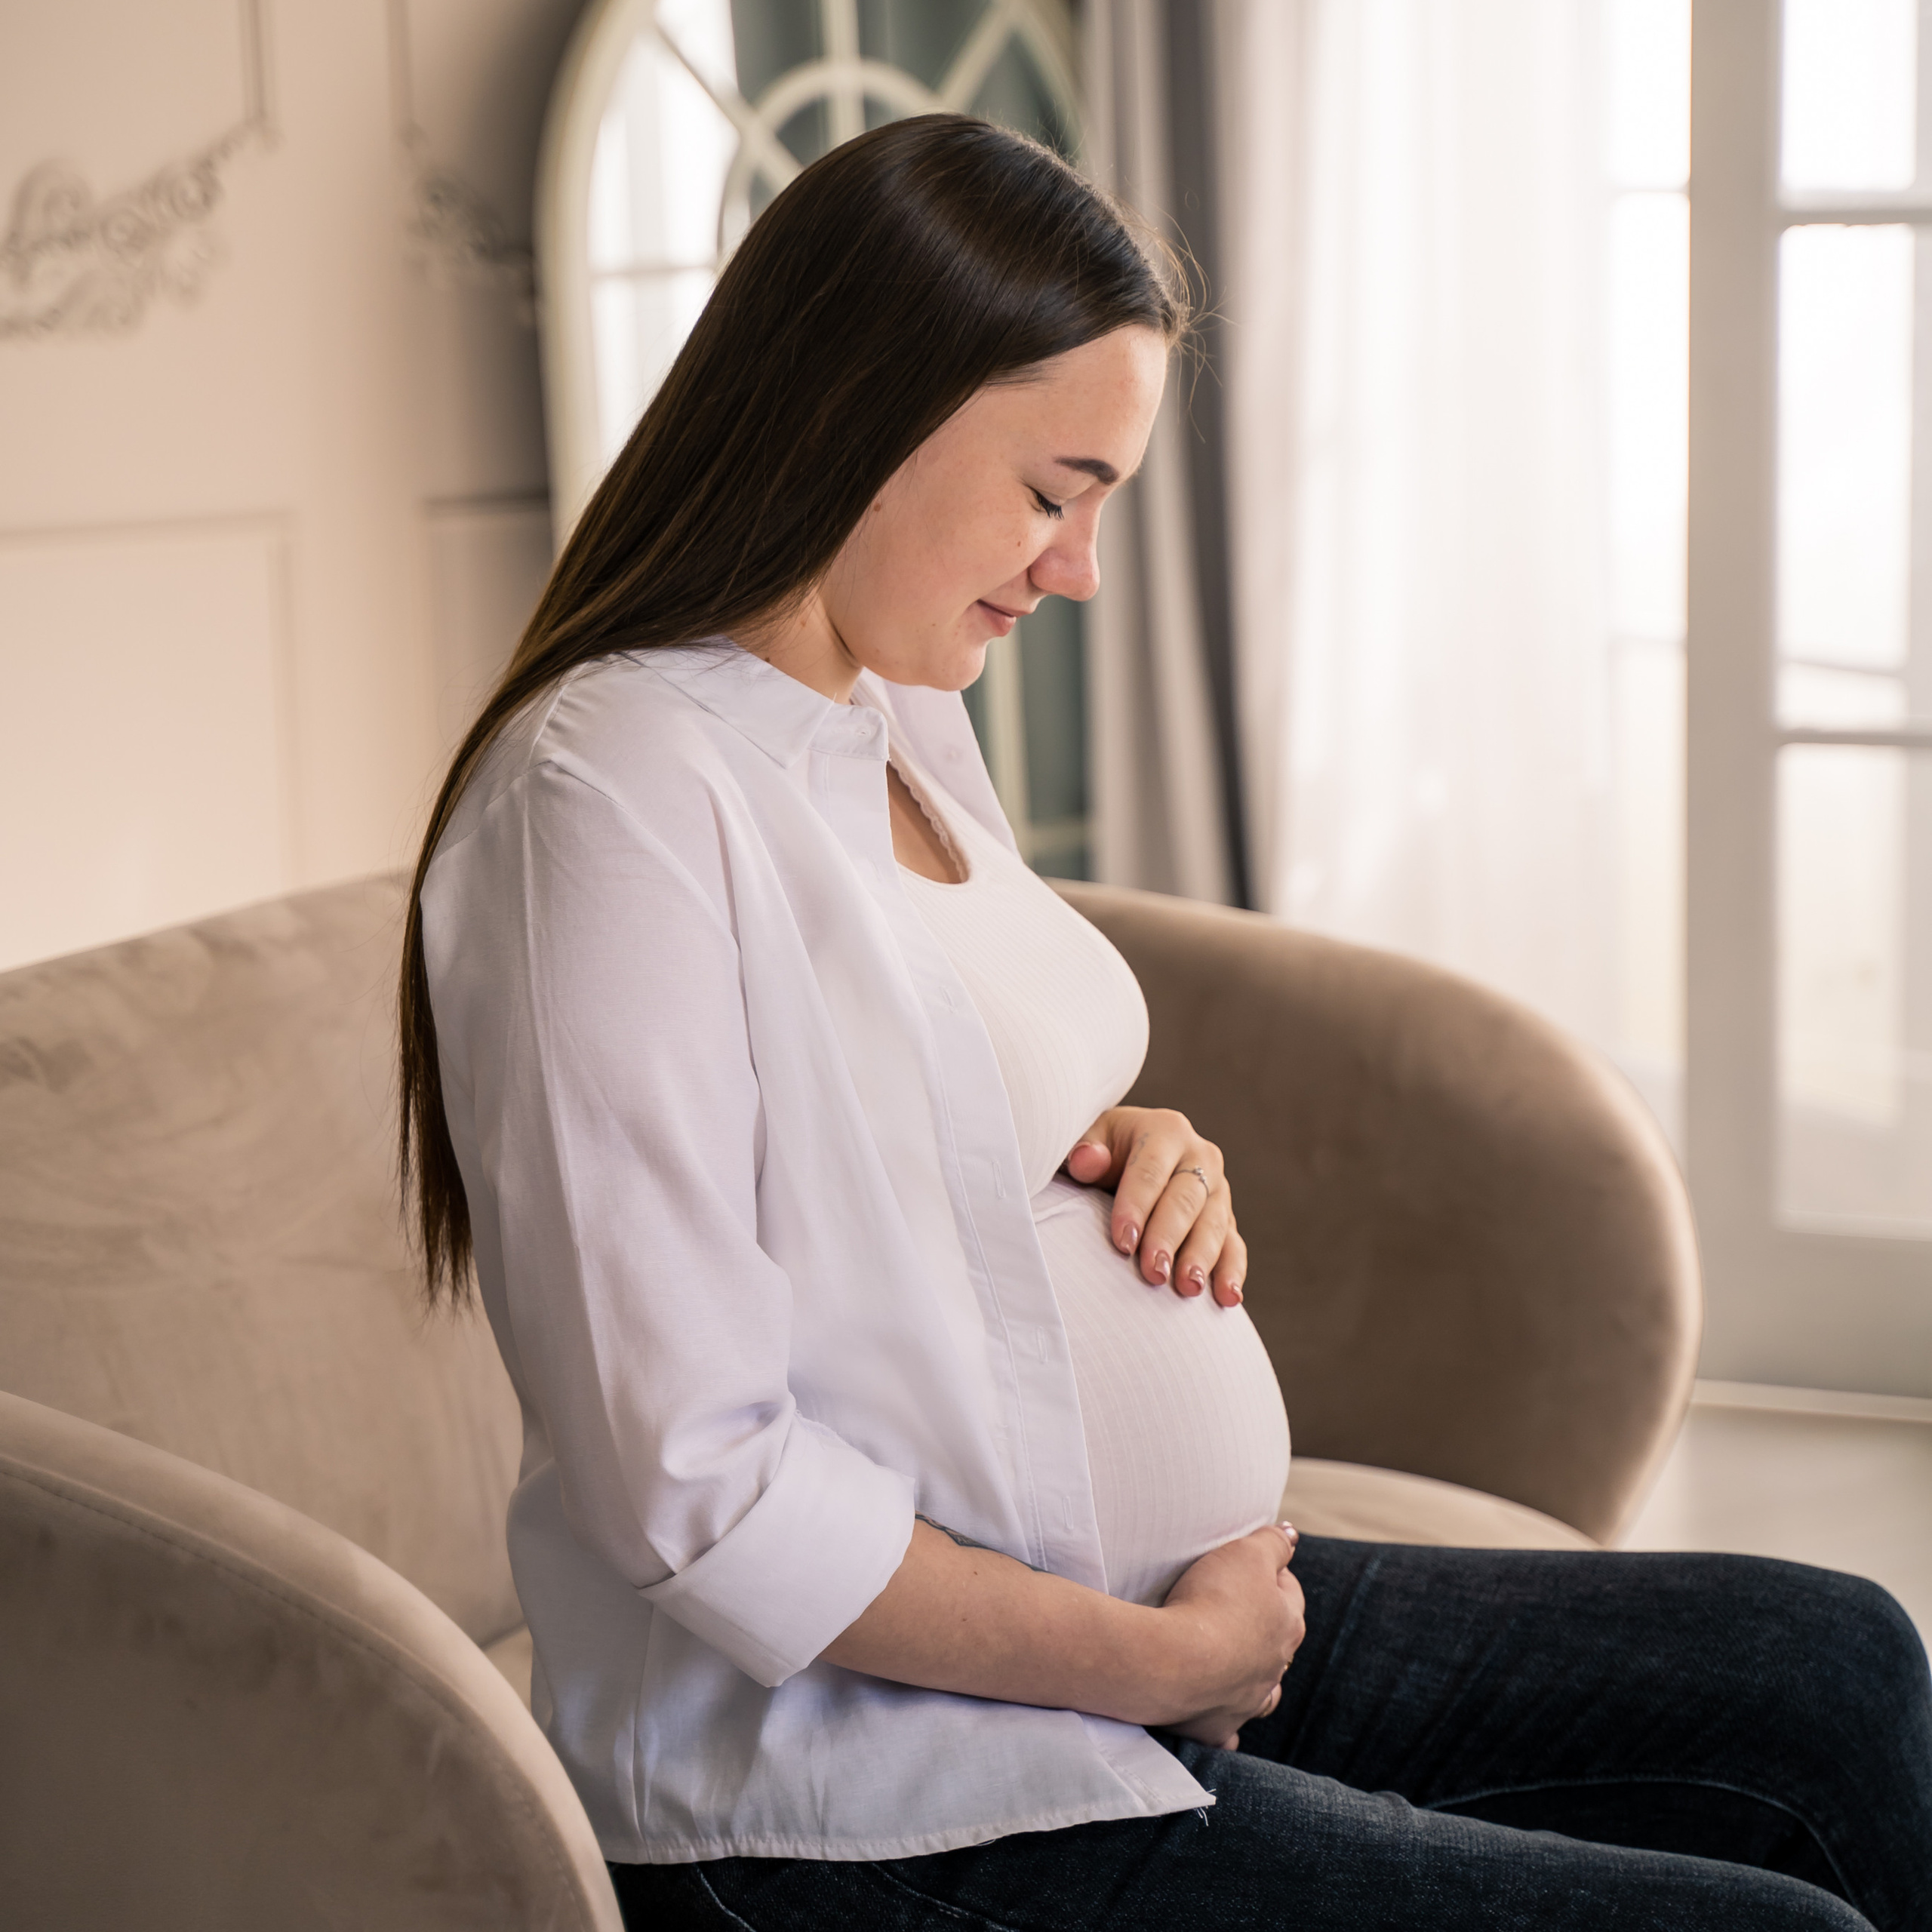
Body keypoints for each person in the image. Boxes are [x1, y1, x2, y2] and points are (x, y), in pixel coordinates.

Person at [401, 114, 1930, 1930]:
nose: (1077, 569)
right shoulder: (610, 792)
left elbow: (891, 1120)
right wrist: (1141, 1661)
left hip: (1127, 1612)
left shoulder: (886, 711)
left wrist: (1130, 1142)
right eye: (1054, 491)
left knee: (1831, 1661)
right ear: (860, 410)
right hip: (861, 1794)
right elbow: (696, 1483)